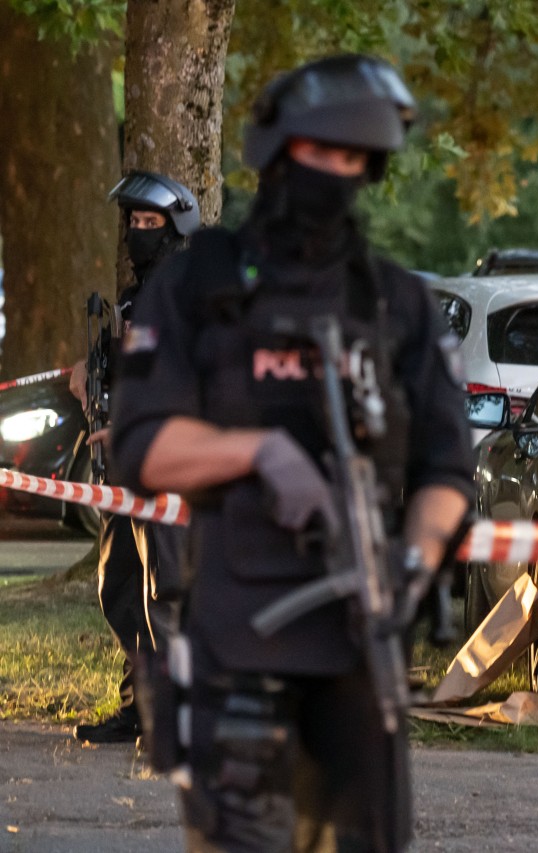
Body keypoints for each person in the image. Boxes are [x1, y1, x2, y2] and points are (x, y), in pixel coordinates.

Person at [110, 54, 473, 851]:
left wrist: (416, 556)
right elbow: (141, 448)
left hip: (360, 654)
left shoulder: (394, 302)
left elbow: (449, 469)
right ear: (277, 152)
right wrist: (260, 453)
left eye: (354, 160)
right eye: (322, 152)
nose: (336, 173)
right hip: (239, 643)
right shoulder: (196, 286)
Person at [69, 170, 200, 744]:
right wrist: (89, 368)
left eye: (151, 223)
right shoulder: (136, 297)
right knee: (118, 586)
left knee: (164, 592)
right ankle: (141, 706)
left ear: (176, 228)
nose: (140, 233)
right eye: (135, 223)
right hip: (125, 468)